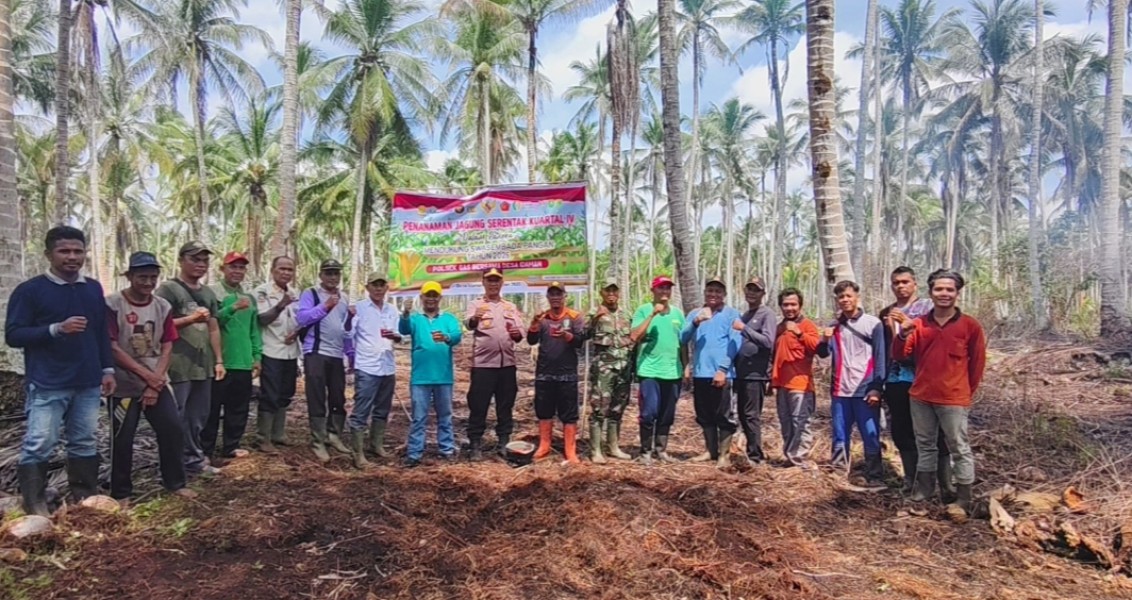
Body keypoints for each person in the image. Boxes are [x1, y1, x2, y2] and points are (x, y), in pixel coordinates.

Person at [7, 226, 115, 516]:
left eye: (78, 251)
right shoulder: (30, 291)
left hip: (88, 381)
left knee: (84, 440)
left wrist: (107, 370)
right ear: (48, 254)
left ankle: (85, 500)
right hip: (48, 382)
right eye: (64, 251)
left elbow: (101, 333)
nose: (72, 257)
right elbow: (14, 335)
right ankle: (35, 504)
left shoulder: (92, 288)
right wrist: (56, 329)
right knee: (40, 443)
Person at [891, 269, 987, 519]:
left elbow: (976, 364)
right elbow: (900, 355)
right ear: (931, 292)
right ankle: (923, 492)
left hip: (954, 398)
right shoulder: (920, 323)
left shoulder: (970, 326)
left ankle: (964, 497)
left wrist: (966, 392)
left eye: (949, 289)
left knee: (959, 446)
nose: (944, 294)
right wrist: (904, 333)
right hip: (921, 396)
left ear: (957, 293)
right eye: (938, 289)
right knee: (925, 445)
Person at [105, 252, 196, 502]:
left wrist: (155, 383)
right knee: (122, 438)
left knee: (172, 429)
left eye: (152, 277)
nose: (147, 282)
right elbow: (112, 347)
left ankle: (175, 482)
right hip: (123, 385)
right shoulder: (113, 304)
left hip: (156, 380)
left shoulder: (162, 306)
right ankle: (121, 493)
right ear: (129, 276)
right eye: (142, 277)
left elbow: (167, 345)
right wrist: (148, 377)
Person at [878, 266, 952, 496]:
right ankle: (912, 480)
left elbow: (935, 339)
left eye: (905, 282)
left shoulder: (929, 309)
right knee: (901, 431)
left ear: (914, 284)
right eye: (896, 283)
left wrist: (908, 323)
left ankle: (946, 485)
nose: (900, 286)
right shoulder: (886, 312)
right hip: (895, 379)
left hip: (924, 378)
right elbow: (883, 349)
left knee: (932, 432)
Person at [157, 241, 225, 478]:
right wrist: (190, 319)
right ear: (181, 260)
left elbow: (214, 328)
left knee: (198, 416)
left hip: (202, 365)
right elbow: (160, 325)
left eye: (204, 260)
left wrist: (218, 360)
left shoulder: (207, 293)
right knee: (175, 416)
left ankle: (193, 459)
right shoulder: (168, 290)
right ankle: (173, 464)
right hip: (177, 364)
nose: (200, 264)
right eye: (195, 259)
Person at [817, 280, 887, 487]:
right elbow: (822, 353)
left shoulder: (873, 324)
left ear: (857, 297)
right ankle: (839, 472)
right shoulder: (834, 326)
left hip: (865, 388)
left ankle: (874, 475)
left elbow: (881, 357)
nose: (845, 300)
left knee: (870, 432)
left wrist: (877, 388)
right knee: (840, 432)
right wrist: (823, 339)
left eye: (849, 296)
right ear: (837, 301)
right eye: (841, 297)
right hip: (840, 389)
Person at [203, 252, 262, 462]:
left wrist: (257, 356)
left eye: (241, 268)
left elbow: (254, 329)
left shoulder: (250, 297)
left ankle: (231, 445)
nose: (237, 271)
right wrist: (232, 307)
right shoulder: (213, 293)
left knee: (238, 407)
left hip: (243, 362)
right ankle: (206, 450)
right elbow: (211, 323)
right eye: (233, 267)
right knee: (211, 408)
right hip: (220, 362)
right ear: (223, 269)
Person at [295, 259, 355, 463]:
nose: (332, 277)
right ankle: (318, 441)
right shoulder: (310, 294)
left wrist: (351, 354)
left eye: (336, 273)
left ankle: (334, 435)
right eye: (328, 273)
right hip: (316, 352)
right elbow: (302, 319)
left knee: (338, 397)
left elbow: (345, 330)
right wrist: (325, 306)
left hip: (337, 355)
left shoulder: (344, 298)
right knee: (317, 396)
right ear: (321, 275)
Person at [399, 281, 462, 467]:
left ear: (440, 298)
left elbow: (457, 336)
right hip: (420, 377)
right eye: (428, 295)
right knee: (419, 417)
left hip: (444, 377)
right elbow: (403, 329)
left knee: (445, 415)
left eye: (435, 295)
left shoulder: (448, 318)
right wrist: (404, 313)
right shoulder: (416, 319)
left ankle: (447, 448)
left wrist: (447, 337)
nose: (431, 299)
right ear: (422, 297)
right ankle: (414, 453)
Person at [681, 277, 741, 468]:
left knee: (724, 415)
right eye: (710, 291)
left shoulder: (732, 314)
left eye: (717, 291)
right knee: (704, 413)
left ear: (724, 295)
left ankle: (724, 455)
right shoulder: (695, 314)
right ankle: (710, 450)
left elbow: (735, 343)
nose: (713, 294)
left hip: (723, 374)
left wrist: (723, 369)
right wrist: (695, 323)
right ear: (704, 293)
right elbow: (682, 338)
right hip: (701, 373)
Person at [464, 267, 524, 460]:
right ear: (483, 282)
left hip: (506, 365)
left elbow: (520, 333)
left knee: (505, 405)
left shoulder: (510, 307)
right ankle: (475, 444)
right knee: (478, 405)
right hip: (483, 366)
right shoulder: (476, 304)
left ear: (501, 283)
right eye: (489, 280)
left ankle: (504, 442)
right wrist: (475, 318)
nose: (493, 284)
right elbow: (468, 324)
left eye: (496, 280)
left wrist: (517, 334)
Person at [347, 271, 402, 468]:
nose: (378, 289)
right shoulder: (359, 308)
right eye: (374, 285)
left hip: (387, 366)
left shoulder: (392, 310)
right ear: (367, 287)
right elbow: (348, 333)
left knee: (382, 409)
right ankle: (358, 453)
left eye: (382, 285)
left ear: (387, 287)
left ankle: (376, 445)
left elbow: (400, 335)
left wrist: (395, 337)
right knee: (362, 409)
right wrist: (348, 316)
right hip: (367, 366)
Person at [629, 276, 686, 464]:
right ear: (653, 290)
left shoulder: (678, 314)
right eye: (661, 288)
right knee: (648, 413)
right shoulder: (643, 310)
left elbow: (682, 342)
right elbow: (634, 336)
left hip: (673, 372)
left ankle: (661, 450)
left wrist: (685, 366)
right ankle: (645, 451)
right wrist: (652, 314)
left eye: (668, 288)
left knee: (666, 414)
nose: (664, 292)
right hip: (649, 371)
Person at [527, 283, 586, 464]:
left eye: (558, 294)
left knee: (569, 413)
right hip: (545, 373)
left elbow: (580, 341)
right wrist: (534, 324)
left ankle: (570, 450)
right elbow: (531, 340)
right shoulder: (542, 318)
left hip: (567, 374)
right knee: (544, 411)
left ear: (564, 296)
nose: (555, 297)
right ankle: (544, 445)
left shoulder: (574, 317)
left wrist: (567, 337)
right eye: (551, 294)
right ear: (547, 297)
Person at [770, 288, 822, 468]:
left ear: (800, 305)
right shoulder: (779, 328)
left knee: (800, 422)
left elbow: (818, 348)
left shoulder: (807, 325)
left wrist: (800, 333)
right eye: (785, 304)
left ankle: (801, 459)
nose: (789, 308)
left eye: (793, 304)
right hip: (782, 383)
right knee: (786, 422)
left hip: (801, 384)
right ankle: (790, 457)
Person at [584, 278, 634, 463]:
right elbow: (583, 334)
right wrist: (595, 318)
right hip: (604, 369)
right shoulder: (594, 313)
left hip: (623, 368)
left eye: (614, 290)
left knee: (617, 408)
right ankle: (596, 450)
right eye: (608, 290)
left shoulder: (626, 314)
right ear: (602, 293)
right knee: (599, 408)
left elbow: (631, 340)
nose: (611, 294)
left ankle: (613, 446)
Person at [254, 256, 300, 453]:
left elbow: (298, 320)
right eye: (282, 269)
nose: (286, 273)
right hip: (270, 350)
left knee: (285, 394)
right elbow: (262, 319)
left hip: (290, 353)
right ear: (272, 270)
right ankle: (262, 437)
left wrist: (296, 333)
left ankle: (278, 433)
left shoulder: (294, 292)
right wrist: (281, 304)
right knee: (269, 395)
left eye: (290, 269)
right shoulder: (262, 292)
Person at [733, 276, 776, 464]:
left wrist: (744, 329)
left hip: (756, 374)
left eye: (756, 290)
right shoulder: (745, 315)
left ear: (762, 294)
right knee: (743, 414)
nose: (751, 293)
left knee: (751, 415)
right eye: (749, 289)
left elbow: (768, 341)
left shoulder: (767, 314)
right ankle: (751, 451)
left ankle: (756, 457)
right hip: (741, 373)